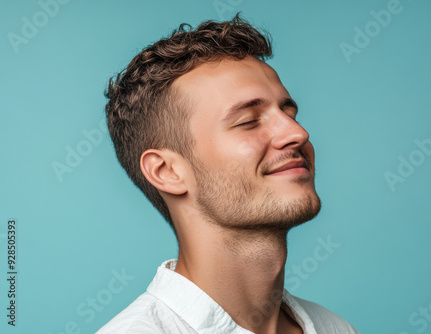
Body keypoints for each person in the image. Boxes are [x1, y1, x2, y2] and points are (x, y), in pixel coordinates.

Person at [97, 14, 359, 334]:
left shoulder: (335, 328)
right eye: (249, 121)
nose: (298, 133)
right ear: (167, 172)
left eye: (289, 113)